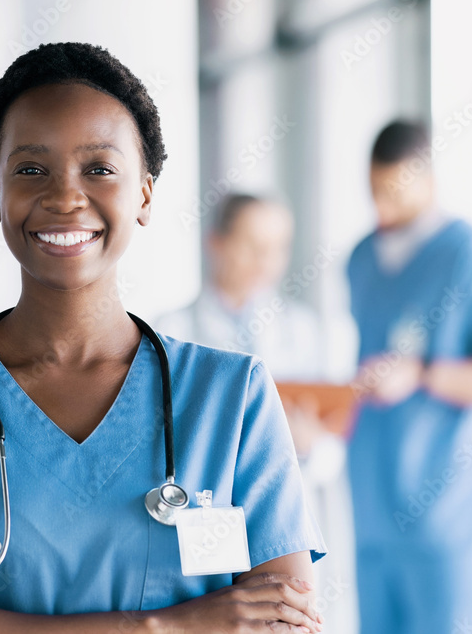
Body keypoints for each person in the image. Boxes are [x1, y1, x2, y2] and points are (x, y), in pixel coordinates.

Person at [0, 42, 327, 634]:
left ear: (145, 195)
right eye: (30, 170)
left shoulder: (232, 397)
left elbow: (286, 623)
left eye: (100, 168)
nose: (64, 196)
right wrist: (175, 625)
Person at [346, 119, 472, 634]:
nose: (381, 207)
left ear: (428, 180)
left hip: (448, 526)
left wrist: (423, 375)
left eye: (394, 192)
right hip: (372, 516)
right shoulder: (361, 260)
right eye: (374, 191)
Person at [158, 193, 358, 631]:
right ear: (216, 243)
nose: (266, 261)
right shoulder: (168, 333)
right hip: (203, 518)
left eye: (277, 247)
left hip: (284, 520)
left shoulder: (307, 333)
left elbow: (334, 446)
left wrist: (306, 445)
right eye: (253, 244)